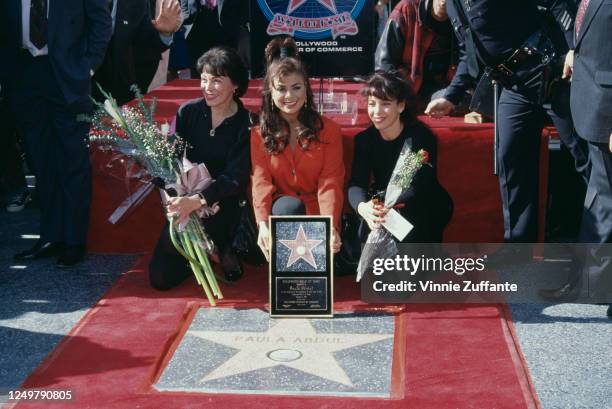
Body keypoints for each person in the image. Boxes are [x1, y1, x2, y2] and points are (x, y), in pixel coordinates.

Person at [425, 0, 590, 250]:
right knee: (511, 163)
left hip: (555, 73)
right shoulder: (453, 5)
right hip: (513, 86)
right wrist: (451, 96)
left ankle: (597, 259)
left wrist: (574, 47)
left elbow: (556, 2)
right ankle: (519, 255)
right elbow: (466, 52)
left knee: (586, 158)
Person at [4, 0, 112, 267]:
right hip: (23, 75)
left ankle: (74, 240)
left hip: (68, 75)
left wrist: (87, 67)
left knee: (73, 159)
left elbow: (101, 22)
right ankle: (51, 236)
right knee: (41, 161)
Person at [149, 46, 251, 290]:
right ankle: (202, 254)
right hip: (186, 202)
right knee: (160, 279)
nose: (207, 87)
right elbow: (170, 159)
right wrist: (172, 193)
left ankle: (223, 247)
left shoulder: (245, 123)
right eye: (204, 79)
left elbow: (235, 178)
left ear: (235, 84)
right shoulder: (188, 112)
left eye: (216, 81)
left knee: (216, 223)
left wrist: (198, 201)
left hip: (222, 204)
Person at [540, 0, 612, 317]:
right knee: (600, 199)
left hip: (606, 111)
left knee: (604, 200)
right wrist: (575, 53)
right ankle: (592, 282)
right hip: (591, 103)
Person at [251, 37, 345, 260]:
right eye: (281, 89)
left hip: (318, 213)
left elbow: (330, 182)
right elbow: (260, 183)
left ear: (306, 89)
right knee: (288, 207)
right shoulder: (258, 134)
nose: (289, 96)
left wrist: (330, 225)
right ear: (270, 94)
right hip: (282, 213)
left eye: (296, 88)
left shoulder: (329, 130)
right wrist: (263, 224)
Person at [349, 71, 453, 243]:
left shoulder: (420, 138)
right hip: (382, 204)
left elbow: (415, 186)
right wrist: (363, 208)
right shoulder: (364, 139)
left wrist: (385, 208)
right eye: (372, 104)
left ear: (401, 106)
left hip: (420, 205)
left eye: (385, 104)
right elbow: (356, 182)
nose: (377, 111)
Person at [92, 0, 182, 105]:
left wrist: (164, 33)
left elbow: (146, 42)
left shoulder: (139, 2)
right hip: (78, 83)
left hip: (120, 86)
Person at [375, 0, 456, 105]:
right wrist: (399, 96)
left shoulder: (462, 15)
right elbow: (383, 66)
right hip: (407, 87)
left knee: (467, 100)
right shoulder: (407, 9)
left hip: (445, 85)